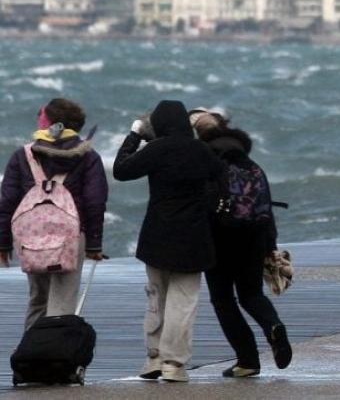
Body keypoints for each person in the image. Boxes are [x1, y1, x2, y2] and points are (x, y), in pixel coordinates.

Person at [113, 100, 223, 383]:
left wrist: (135, 134)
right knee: (182, 303)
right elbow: (222, 182)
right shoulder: (202, 151)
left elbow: (121, 170)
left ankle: (153, 358)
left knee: (155, 298)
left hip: (157, 235)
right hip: (193, 237)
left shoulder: (156, 150)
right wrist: (207, 206)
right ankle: (173, 364)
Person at [191, 112, 292, 378]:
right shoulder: (253, 165)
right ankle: (274, 326)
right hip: (254, 237)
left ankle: (247, 361)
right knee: (252, 295)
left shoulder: (208, 162)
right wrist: (271, 246)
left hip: (219, 239)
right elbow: (266, 209)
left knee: (223, 300)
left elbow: (202, 205)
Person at [0, 98, 108, 330]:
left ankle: (31, 356)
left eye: (42, 116)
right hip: (71, 237)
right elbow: (94, 202)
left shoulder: (23, 155)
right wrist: (94, 245)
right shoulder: (89, 157)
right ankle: (56, 359)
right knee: (63, 301)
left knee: (38, 299)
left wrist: (3, 243)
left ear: (52, 124)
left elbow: (7, 202)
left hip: (31, 236)